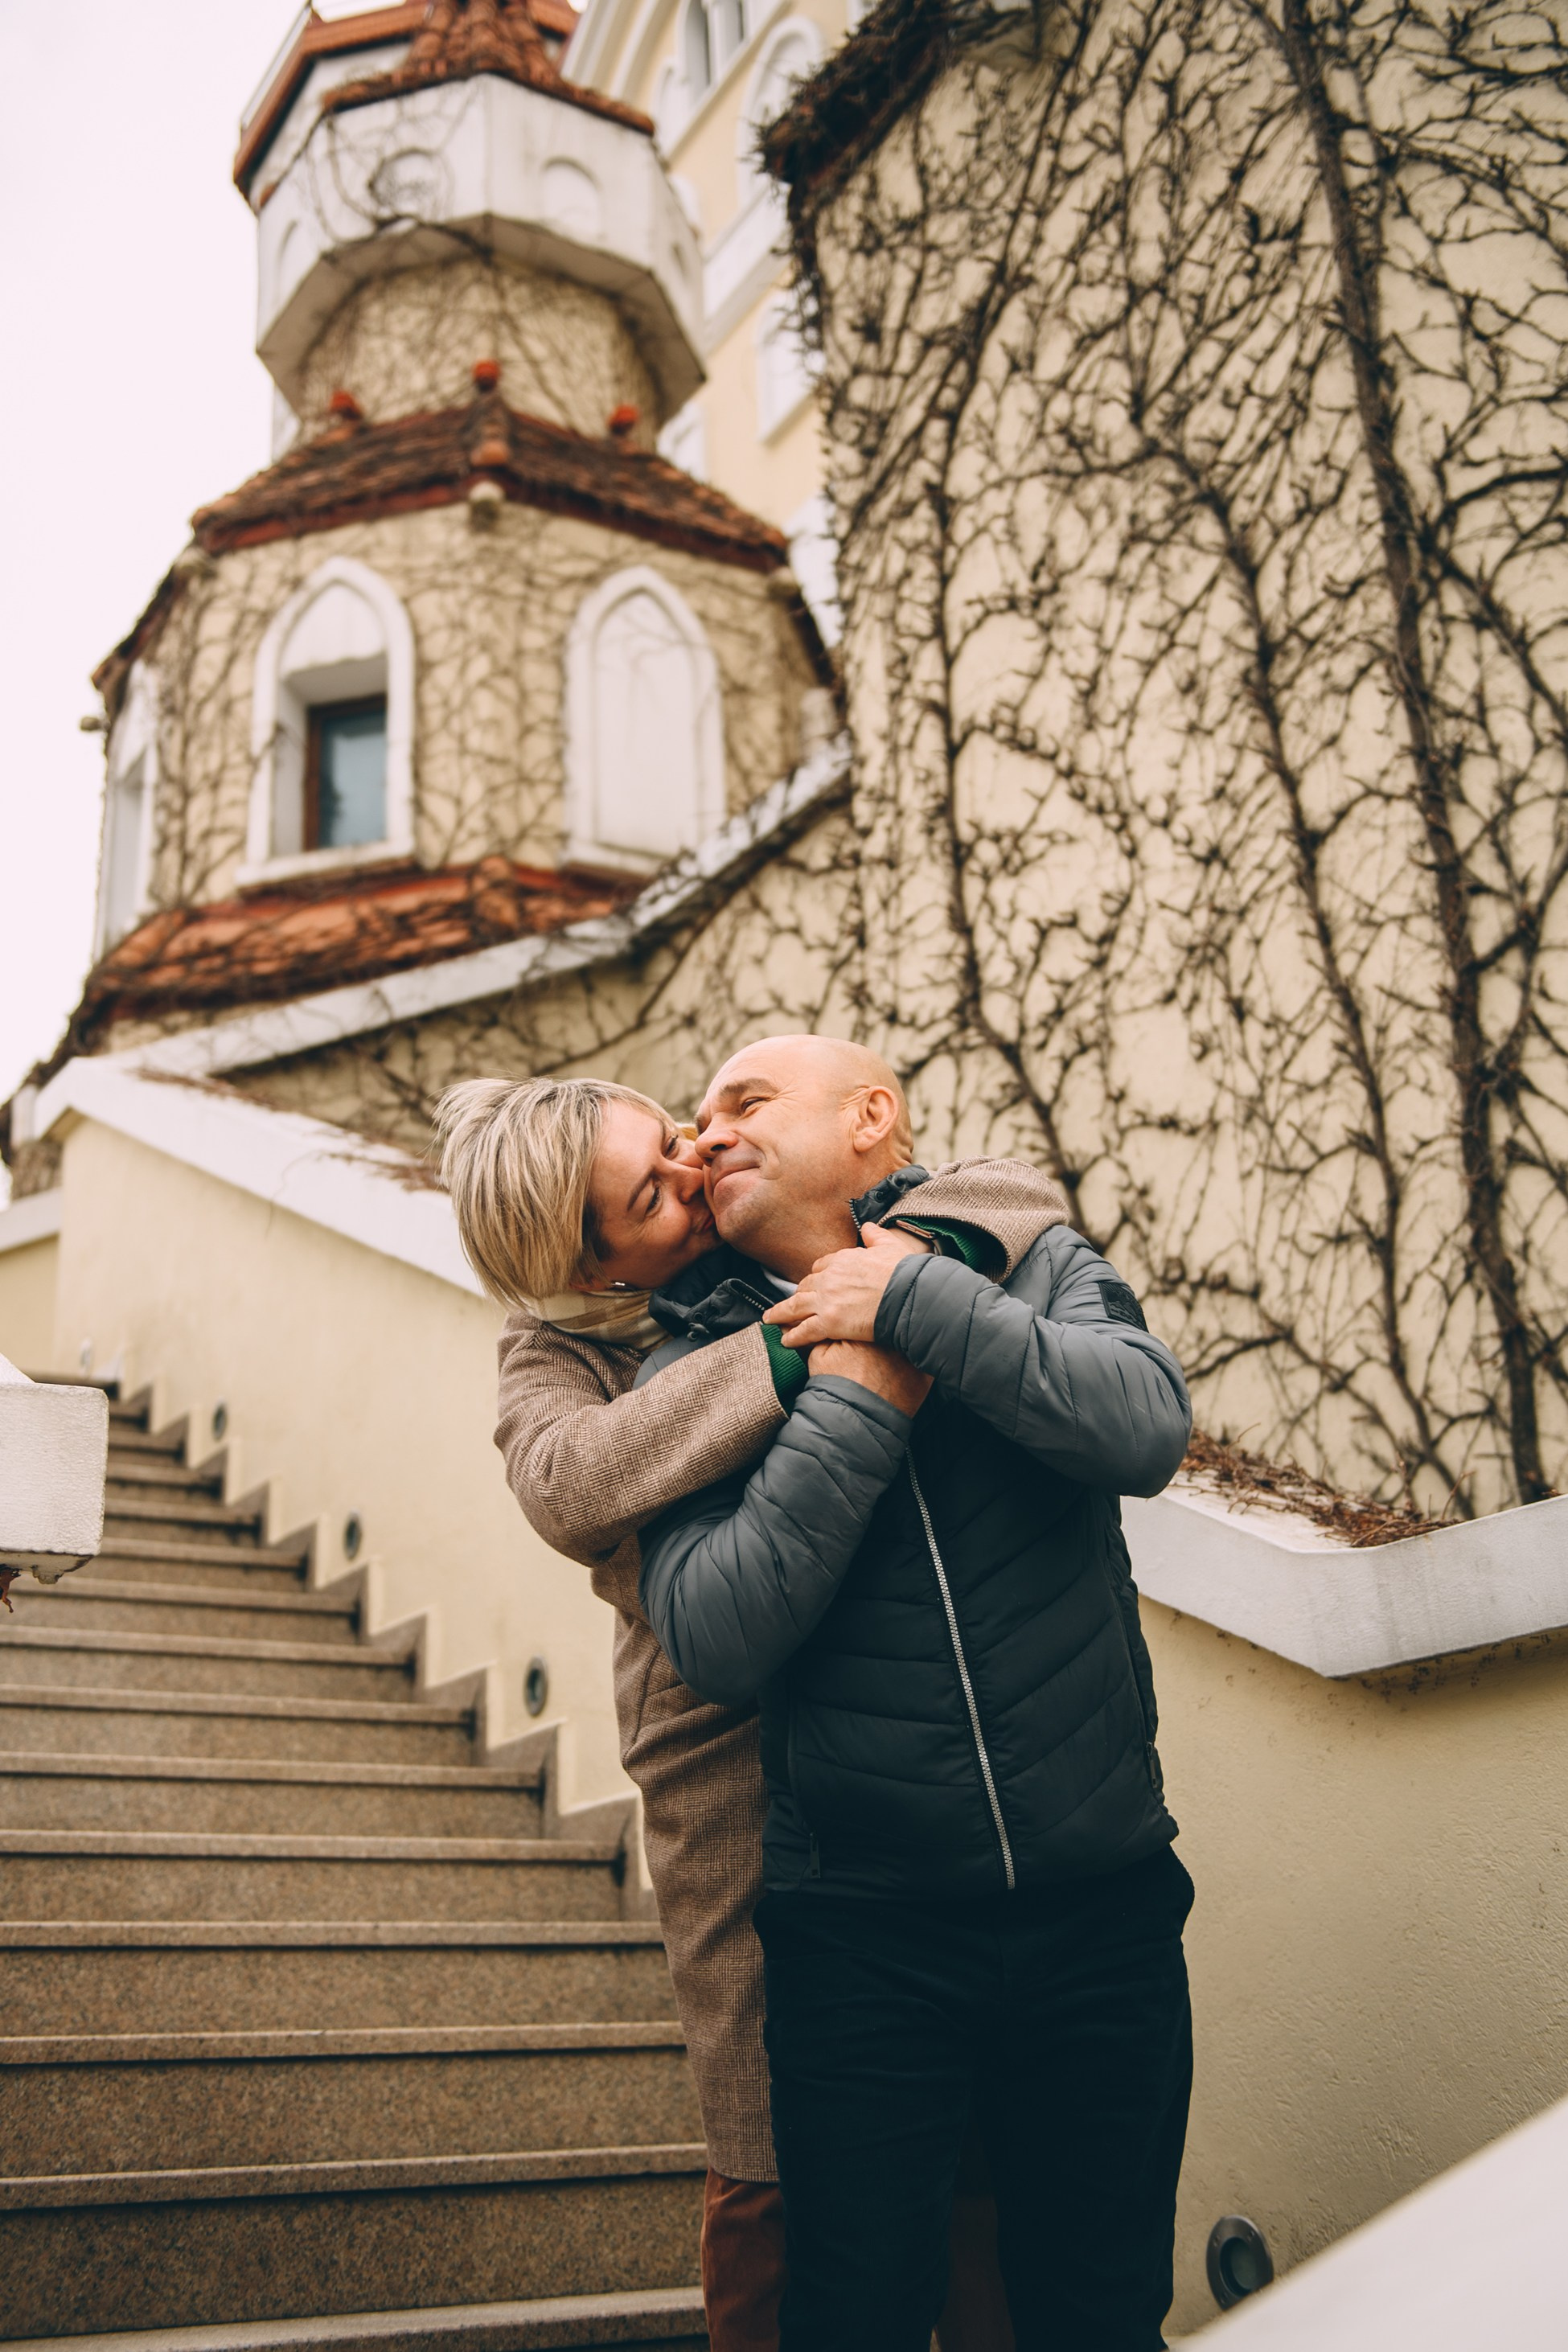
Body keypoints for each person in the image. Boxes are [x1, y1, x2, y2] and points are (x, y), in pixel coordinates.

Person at [436, 1069, 1065, 2352]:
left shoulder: (772, 1225)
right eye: (648, 1196)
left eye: (672, 1138)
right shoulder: (554, 1353)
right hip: (730, 1767)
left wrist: (901, 1272)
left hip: (910, 1752)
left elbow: (1010, 1192)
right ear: (593, 1268)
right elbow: (568, 1483)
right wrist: (801, 1336)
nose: (694, 1169)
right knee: (772, 2147)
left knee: (976, 2155)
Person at [635, 1035, 1196, 2352]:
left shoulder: (1029, 1260)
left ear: (870, 1117)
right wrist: (858, 1396)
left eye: (745, 1100)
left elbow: (1144, 1425)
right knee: (857, 2319)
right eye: (698, 1118)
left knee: (1101, 2314)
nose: (707, 1133)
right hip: (861, 1939)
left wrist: (911, 1304)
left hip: (1103, 1909)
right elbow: (713, 1633)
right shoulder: (695, 1365)